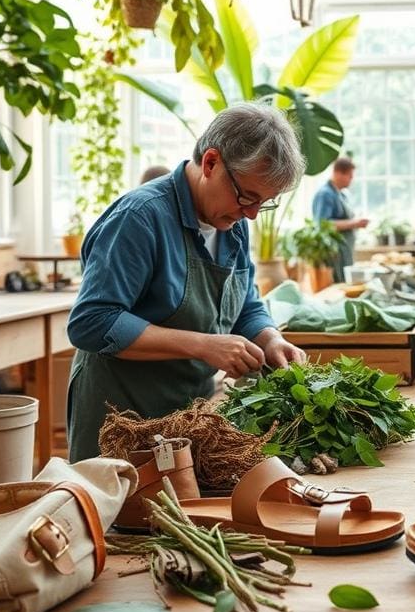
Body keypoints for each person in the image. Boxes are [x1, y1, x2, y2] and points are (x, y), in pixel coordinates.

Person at [67, 103, 308, 461]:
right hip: (118, 418)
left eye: (265, 203)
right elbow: (91, 322)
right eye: (248, 197)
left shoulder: (233, 224)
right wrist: (203, 345)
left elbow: (244, 304)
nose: (253, 214)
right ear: (211, 163)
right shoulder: (139, 218)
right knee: (118, 516)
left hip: (187, 415)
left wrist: (270, 337)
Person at [311, 156, 368, 282]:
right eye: (350, 176)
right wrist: (355, 223)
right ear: (338, 173)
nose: (351, 180)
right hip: (335, 254)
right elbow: (322, 224)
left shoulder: (342, 194)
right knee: (338, 285)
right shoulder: (325, 194)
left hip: (345, 252)